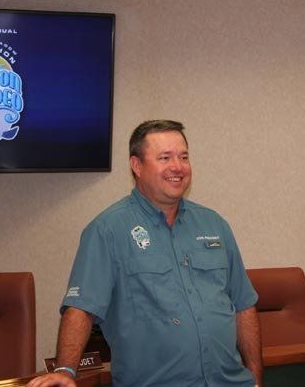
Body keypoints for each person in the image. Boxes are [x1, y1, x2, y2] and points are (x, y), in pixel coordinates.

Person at [28, 120, 262, 387]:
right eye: (165, 158)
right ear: (136, 166)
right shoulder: (108, 230)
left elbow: (243, 304)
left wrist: (255, 379)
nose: (178, 166)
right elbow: (81, 308)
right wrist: (66, 370)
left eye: (183, 157)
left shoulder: (215, 225)